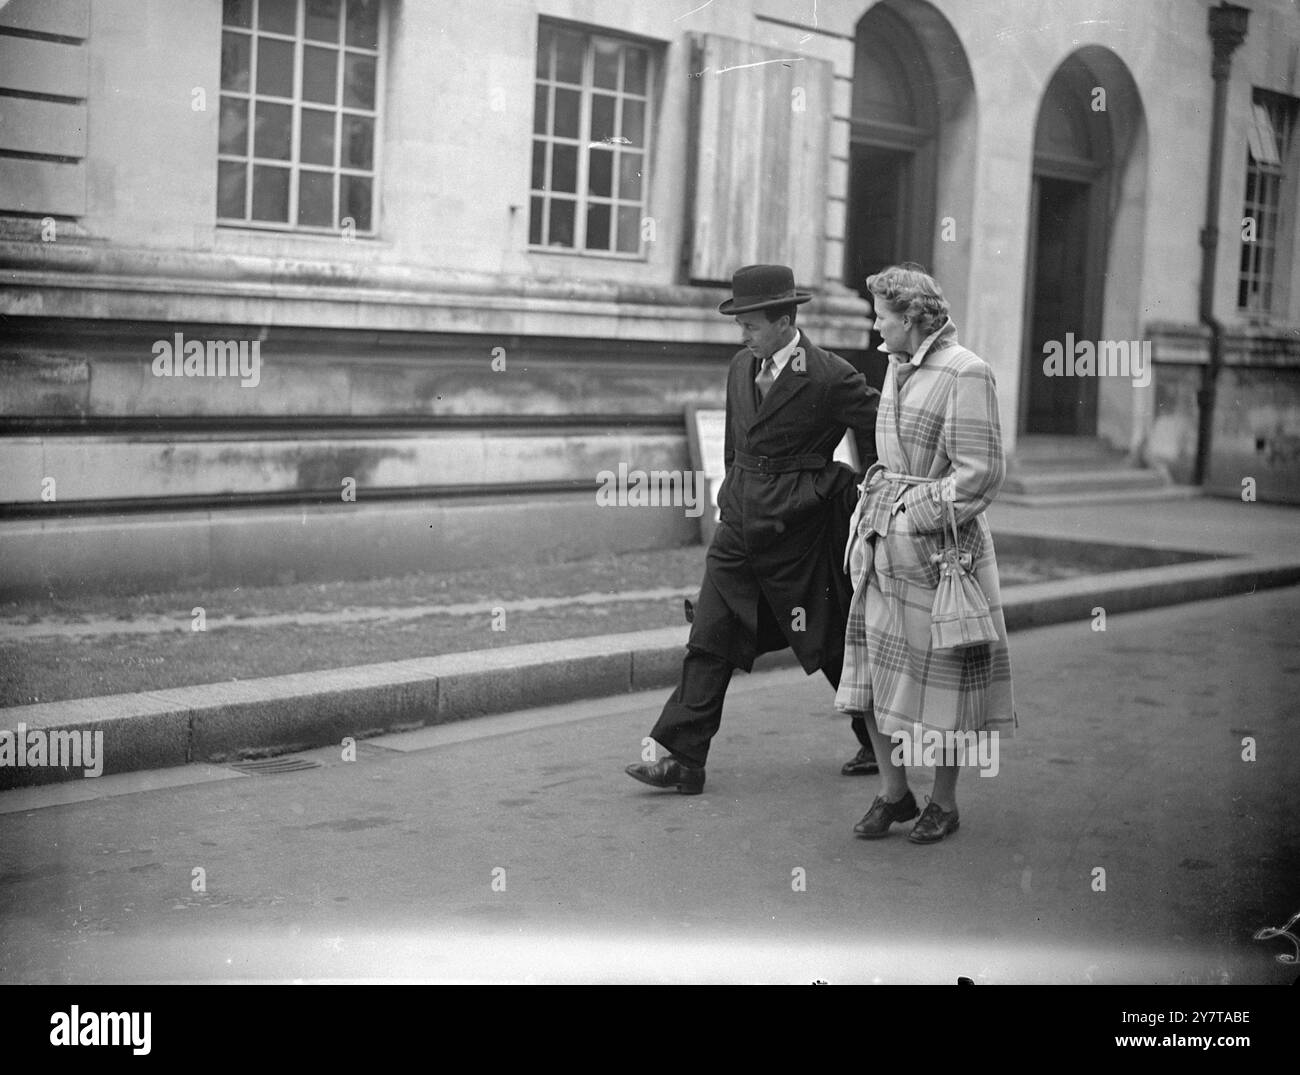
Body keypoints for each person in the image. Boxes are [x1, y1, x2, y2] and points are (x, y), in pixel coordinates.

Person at [625, 264, 880, 794]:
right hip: (740, 524)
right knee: (711, 632)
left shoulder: (831, 375)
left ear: (787, 321)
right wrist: (728, 498)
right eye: (740, 324)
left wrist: (854, 489)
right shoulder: (741, 366)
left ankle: (881, 742)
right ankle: (684, 759)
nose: (743, 334)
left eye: (752, 324)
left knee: (825, 637)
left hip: (800, 531)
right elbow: (735, 449)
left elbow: (881, 428)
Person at [835, 264, 1016, 842]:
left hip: (943, 556)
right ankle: (894, 793)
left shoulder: (968, 372)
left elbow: (981, 475)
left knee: (945, 684)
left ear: (911, 318)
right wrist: (880, 515)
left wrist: (914, 516)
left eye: (881, 316)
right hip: (883, 542)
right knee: (873, 674)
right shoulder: (894, 365)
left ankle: (944, 802)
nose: (874, 327)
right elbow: (891, 458)